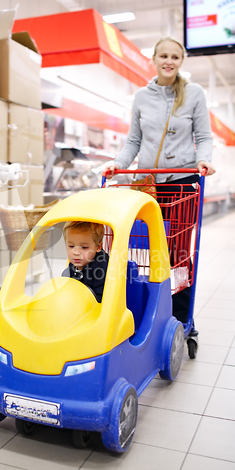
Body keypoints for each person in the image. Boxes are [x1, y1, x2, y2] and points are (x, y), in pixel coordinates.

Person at [108, 36, 216, 329]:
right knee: (145, 250)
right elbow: (134, 141)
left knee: (179, 253)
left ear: (181, 62)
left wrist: (204, 159)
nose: (169, 61)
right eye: (164, 56)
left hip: (182, 183)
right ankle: (145, 310)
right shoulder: (142, 97)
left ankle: (180, 319)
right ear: (153, 60)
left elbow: (204, 136)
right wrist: (117, 164)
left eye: (175, 57)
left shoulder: (194, 93)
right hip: (148, 184)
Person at [62, 221, 109, 303]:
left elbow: (102, 299)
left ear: (98, 247)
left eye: (84, 247)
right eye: (71, 246)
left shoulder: (102, 268)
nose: (76, 252)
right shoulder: (73, 266)